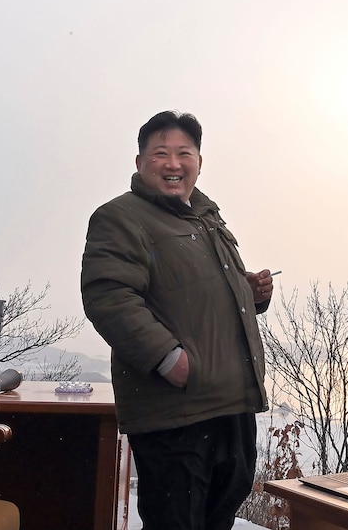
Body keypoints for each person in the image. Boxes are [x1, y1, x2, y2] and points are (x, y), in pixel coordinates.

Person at [80, 110, 273, 530]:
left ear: (199, 162)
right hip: (175, 413)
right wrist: (170, 360)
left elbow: (191, 290)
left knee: (218, 517)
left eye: (184, 153)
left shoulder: (205, 217)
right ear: (140, 163)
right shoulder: (121, 217)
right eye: (160, 153)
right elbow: (109, 296)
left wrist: (249, 292)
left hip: (231, 406)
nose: (173, 163)